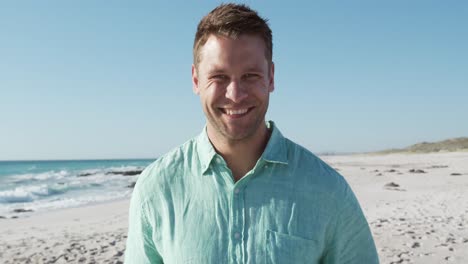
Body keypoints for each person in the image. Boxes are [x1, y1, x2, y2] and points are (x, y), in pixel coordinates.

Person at [125, 3, 379, 263]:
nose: (235, 95)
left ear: (271, 77)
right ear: (195, 80)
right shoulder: (156, 189)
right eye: (219, 77)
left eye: (250, 75)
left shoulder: (328, 191)